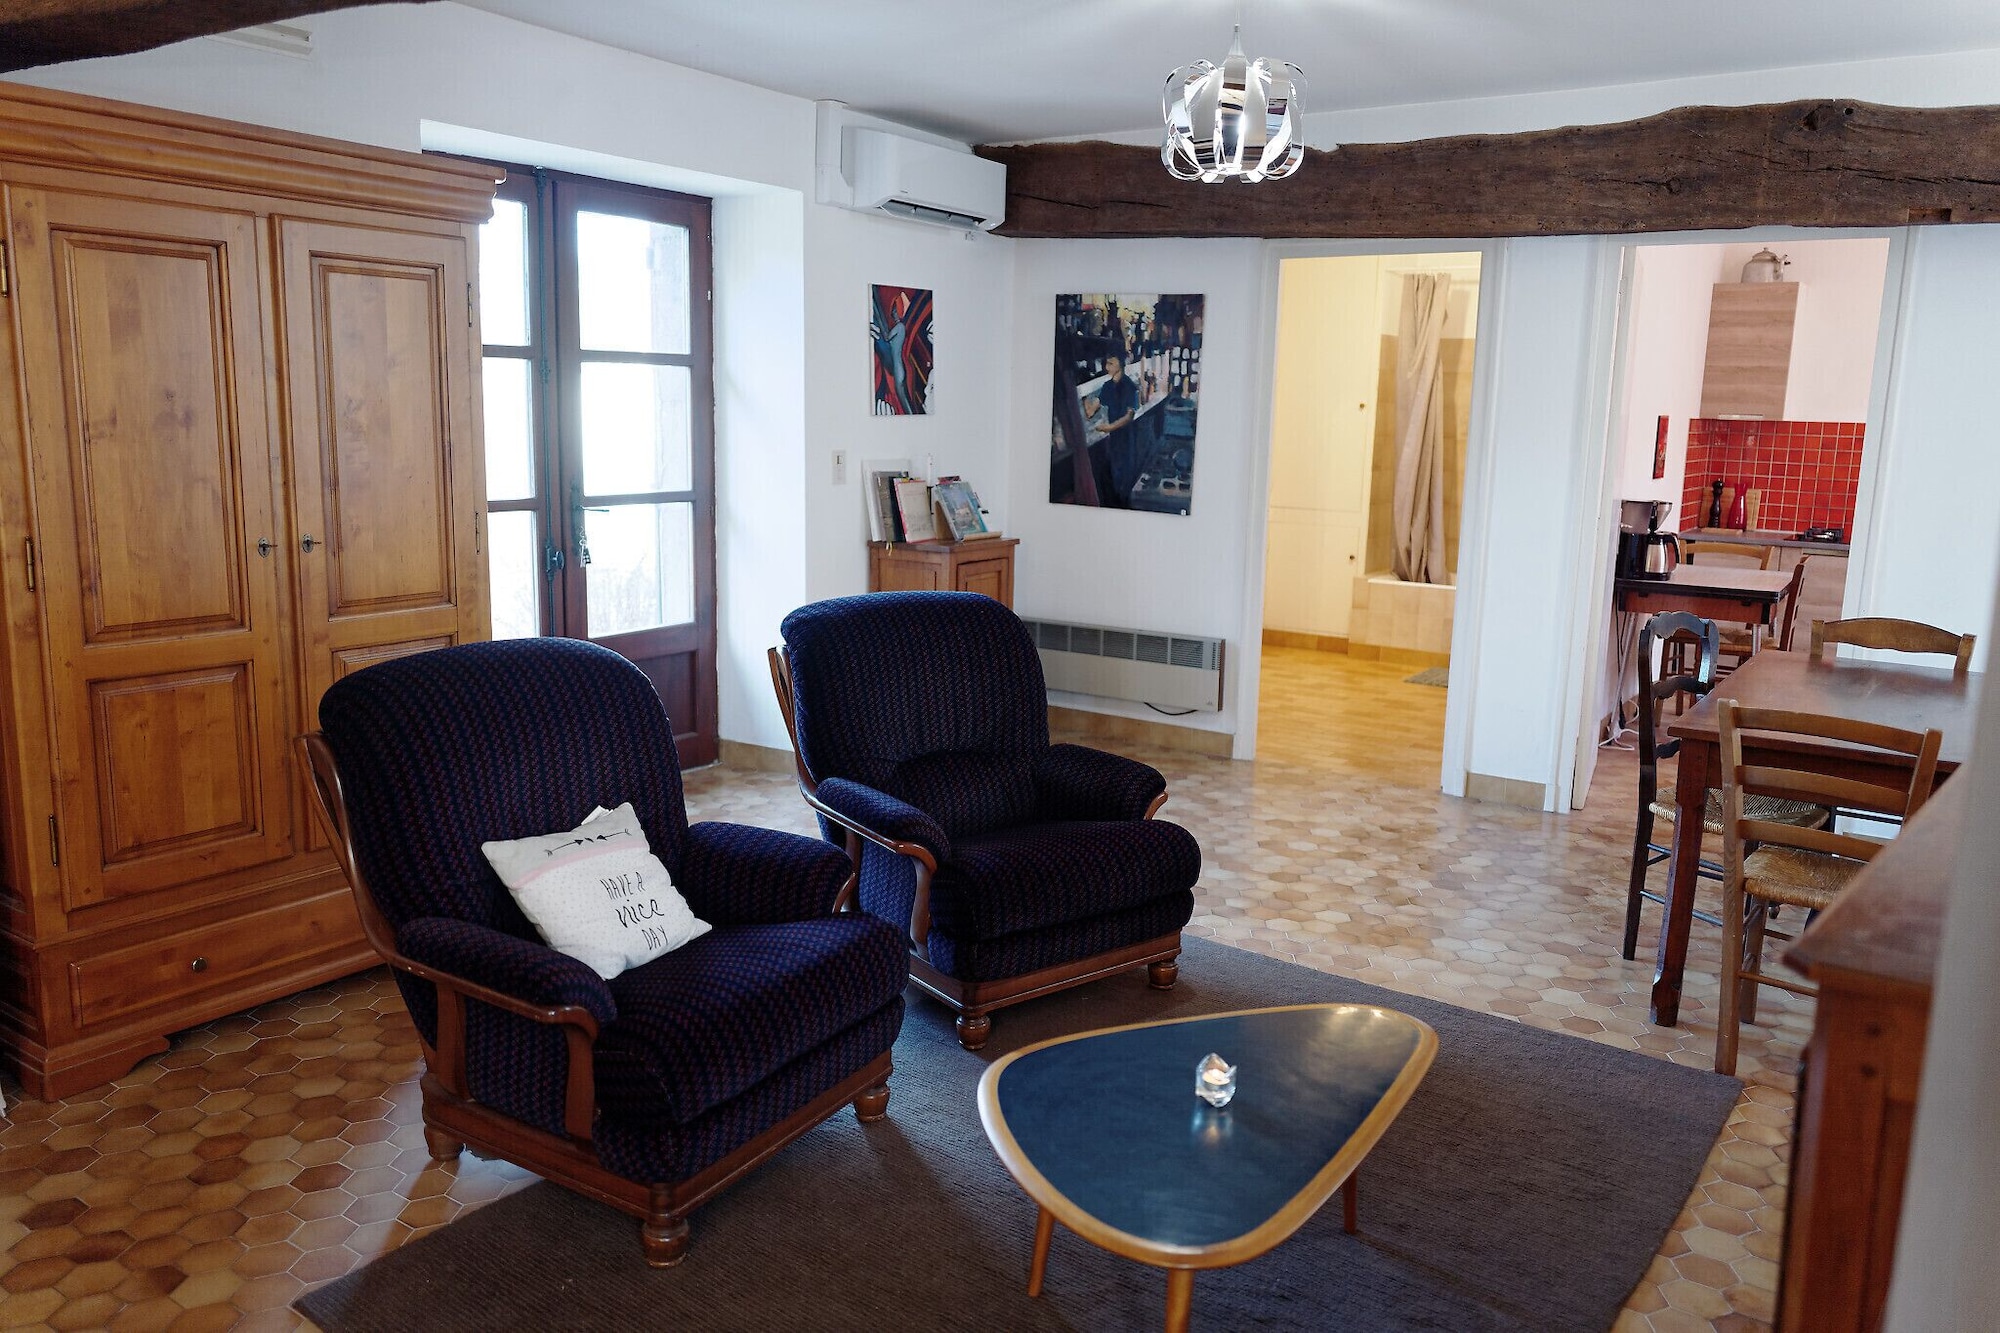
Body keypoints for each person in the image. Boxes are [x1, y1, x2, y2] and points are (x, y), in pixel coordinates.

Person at [1088, 353, 1140, 507]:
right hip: (1114, 439)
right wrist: (1085, 401)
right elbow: (1091, 411)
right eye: (1106, 363)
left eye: (1111, 363)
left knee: (1125, 478)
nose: (1107, 367)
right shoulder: (1107, 386)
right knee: (1114, 476)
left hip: (1126, 438)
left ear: (1121, 364)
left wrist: (1109, 427)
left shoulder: (1130, 386)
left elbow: (1129, 416)